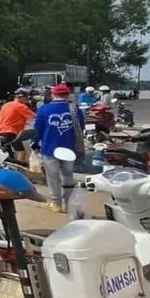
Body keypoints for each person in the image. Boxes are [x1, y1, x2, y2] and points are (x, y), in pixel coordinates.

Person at [32, 83, 85, 213]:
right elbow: (81, 128)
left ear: (53, 95)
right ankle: (69, 204)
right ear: (68, 95)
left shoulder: (44, 109)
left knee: (52, 176)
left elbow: (37, 130)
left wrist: (34, 144)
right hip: (69, 149)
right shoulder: (75, 109)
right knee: (68, 176)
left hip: (50, 149)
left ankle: (56, 203)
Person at [0, 87, 35, 162]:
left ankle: (9, 166)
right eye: (26, 98)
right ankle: (18, 169)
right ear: (21, 97)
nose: (27, 100)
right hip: (10, 132)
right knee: (21, 151)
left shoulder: (6, 105)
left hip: (1, 131)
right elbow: (34, 117)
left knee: (6, 153)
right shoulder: (21, 106)